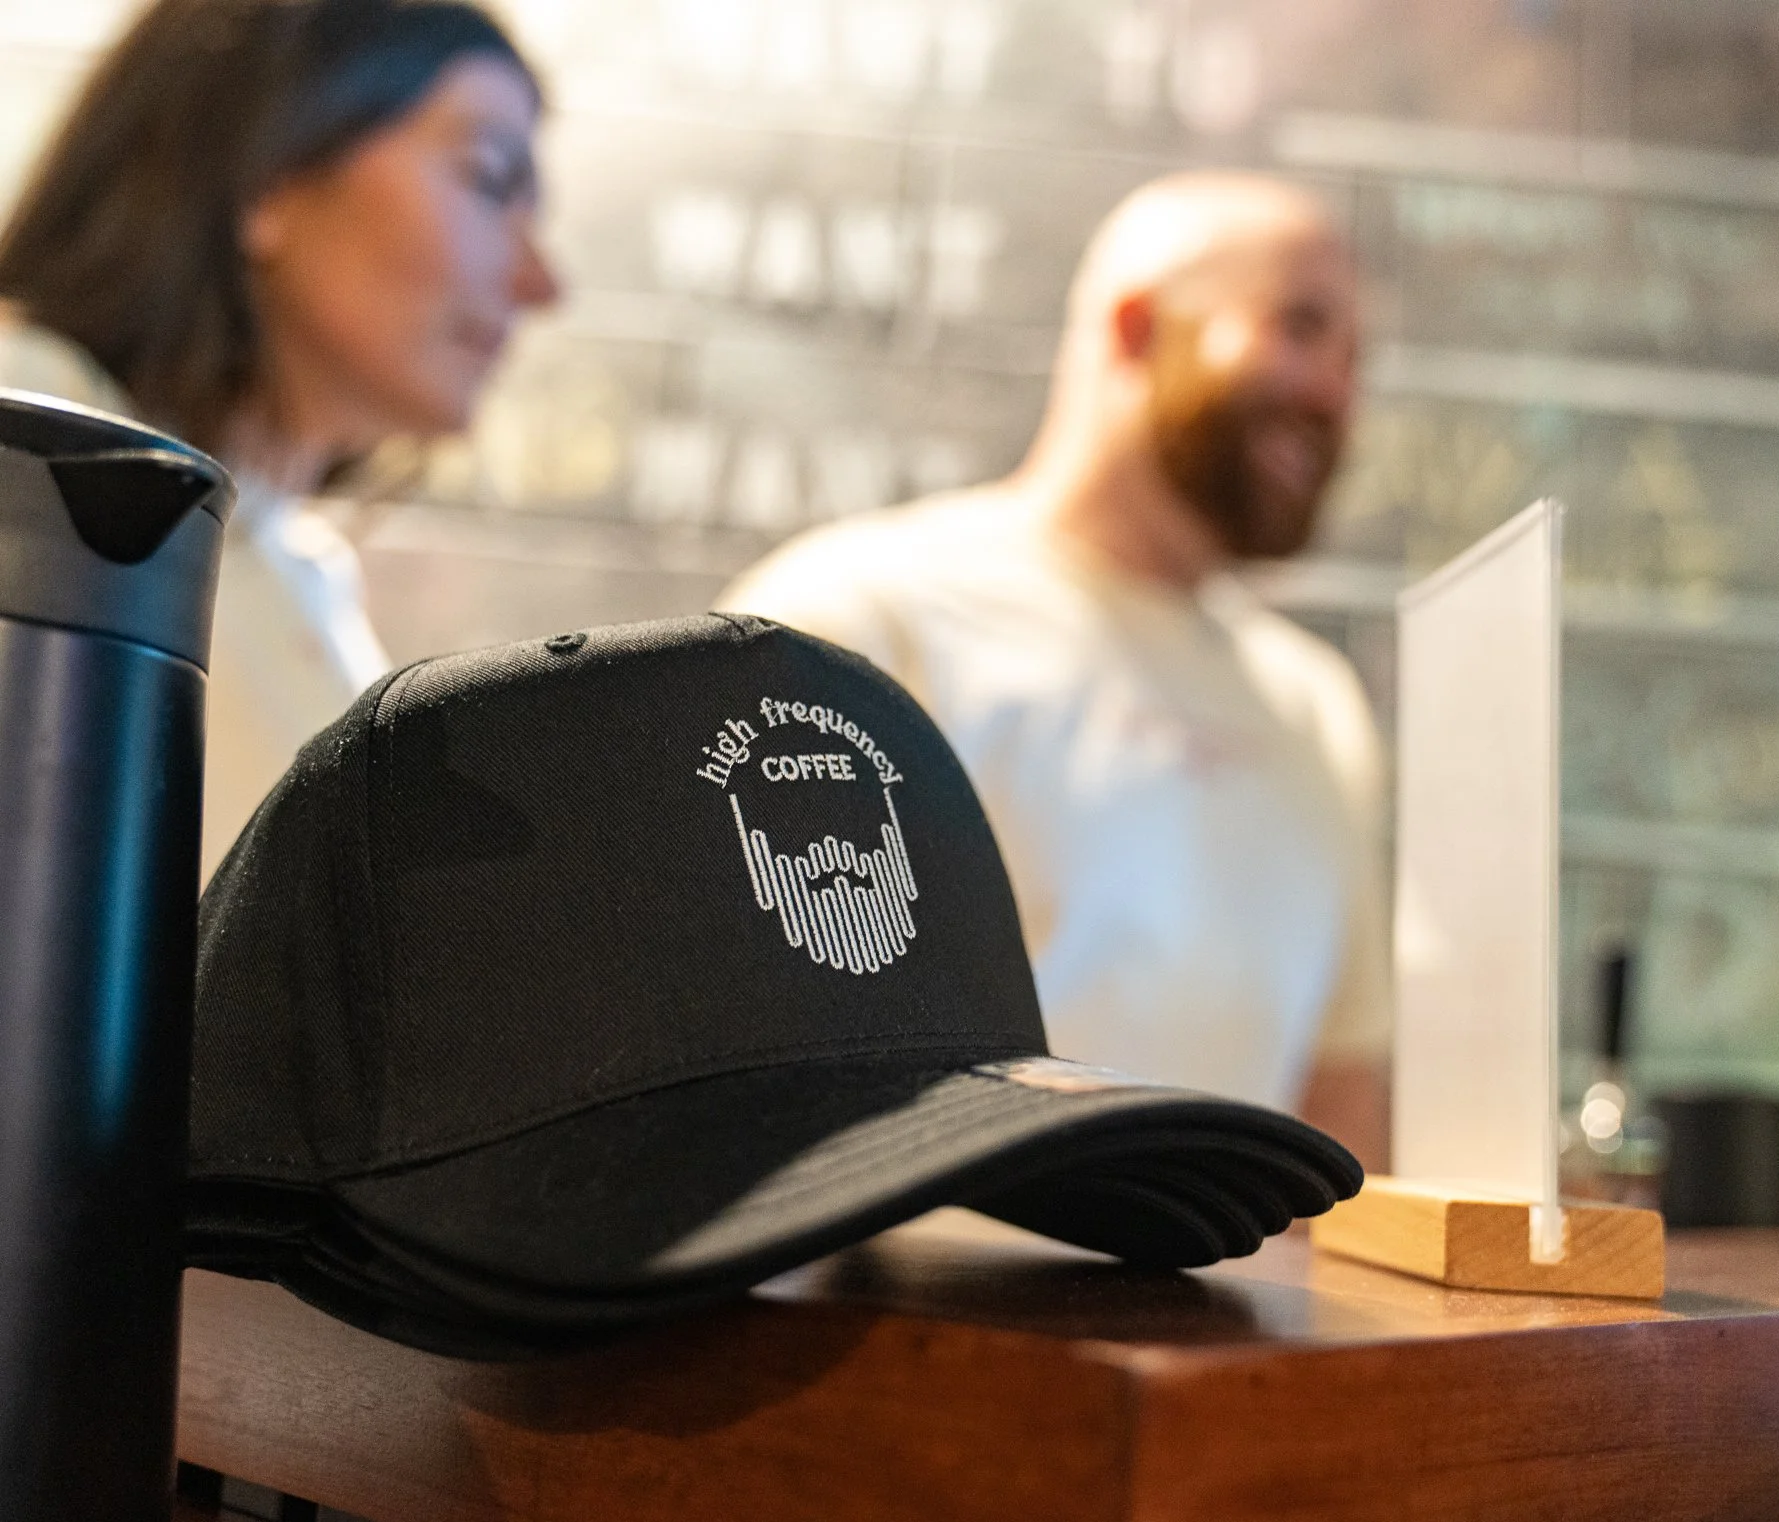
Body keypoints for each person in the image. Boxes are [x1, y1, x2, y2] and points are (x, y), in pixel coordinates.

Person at [720, 172, 1390, 1162]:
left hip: (1238, 1314)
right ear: (1135, 329)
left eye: (1351, 361)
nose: (1333, 394)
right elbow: (724, 1068)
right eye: (1296, 328)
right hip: (900, 1318)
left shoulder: (1313, 706)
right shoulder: (855, 618)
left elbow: (1342, 1096)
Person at [0, 0, 558, 874]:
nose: (540, 281)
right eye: (488, 178)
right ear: (266, 171)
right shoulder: (26, 423)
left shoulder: (308, 582)